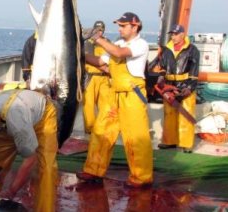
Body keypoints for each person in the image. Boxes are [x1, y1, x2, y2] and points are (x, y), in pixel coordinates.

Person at [76, 12, 153, 188]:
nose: (120, 29)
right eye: (119, 25)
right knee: (101, 132)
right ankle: (93, 170)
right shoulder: (116, 43)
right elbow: (100, 61)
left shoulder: (140, 44)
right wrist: (78, 54)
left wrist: (97, 38)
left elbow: (118, 53)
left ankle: (141, 178)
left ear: (135, 26)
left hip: (132, 96)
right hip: (114, 94)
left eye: (123, 26)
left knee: (135, 138)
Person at [0, 89, 58, 212]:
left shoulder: (18, 122)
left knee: (45, 169)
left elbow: (31, 159)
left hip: (41, 118)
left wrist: (12, 190)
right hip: (6, 122)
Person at [156, 24, 200, 153]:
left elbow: (194, 71)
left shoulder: (192, 50)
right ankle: (169, 141)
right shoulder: (166, 50)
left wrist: (189, 88)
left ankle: (186, 144)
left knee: (186, 115)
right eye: (172, 34)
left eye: (176, 34)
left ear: (182, 34)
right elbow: (162, 67)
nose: (173, 37)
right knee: (169, 115)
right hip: (169, 87)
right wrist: (161, 78)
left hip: (185, 85)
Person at [82, 20, 110, 133]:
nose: (99, 32)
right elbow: (87, 60)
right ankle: (90, 128)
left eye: (101, 30)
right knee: (88, 103)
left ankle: (104, 126)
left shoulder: (107, 42)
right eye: (97, 30)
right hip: (90, 77)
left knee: (105, 103)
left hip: (104, 77)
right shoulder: (87, 42)